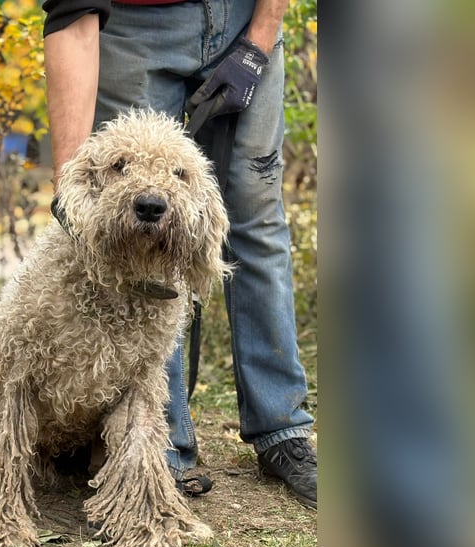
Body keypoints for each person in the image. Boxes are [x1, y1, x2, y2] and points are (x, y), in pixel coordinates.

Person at [42, 0, 317, 509]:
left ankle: (282, 429)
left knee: (255, 216)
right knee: (131, 229)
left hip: (245, 13)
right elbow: (73, 21)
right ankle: (158, 446)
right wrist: (70, 183)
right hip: (133, 27)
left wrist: (258, 41)